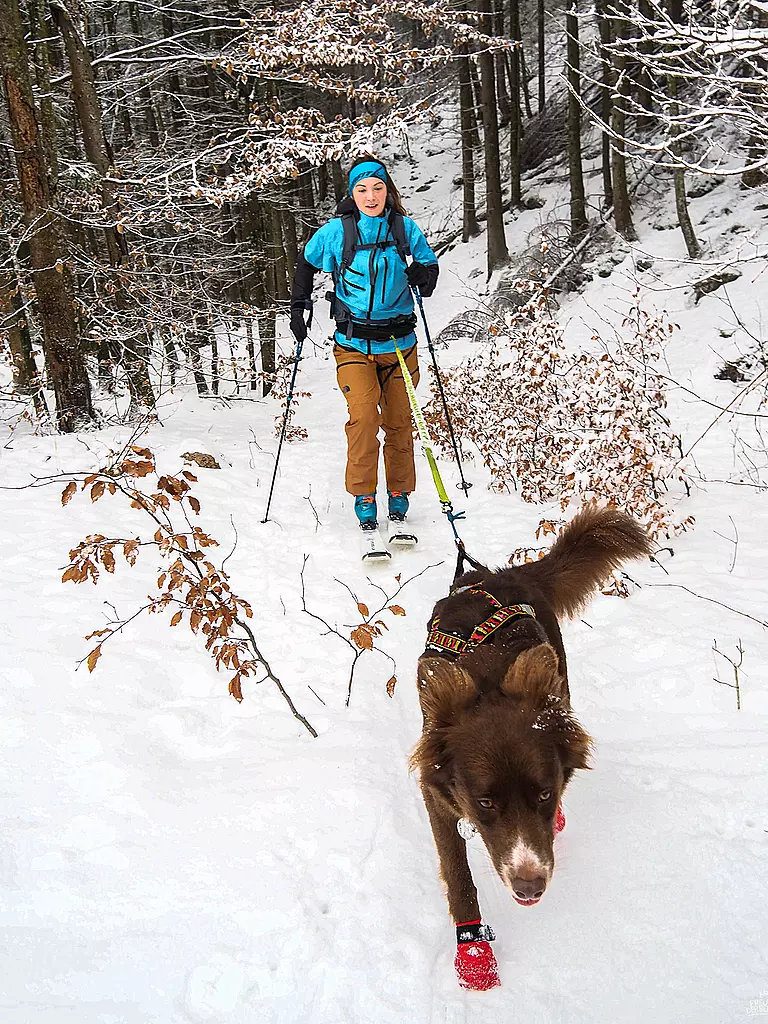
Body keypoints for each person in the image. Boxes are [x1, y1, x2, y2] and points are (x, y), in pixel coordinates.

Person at [289, 155, 439, 530]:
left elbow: (429, 273)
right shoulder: (337, 232)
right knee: (364, 418)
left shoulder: (405, 229)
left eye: (377, 188)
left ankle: (400, 492)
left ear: (387, 192)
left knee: (401, 422)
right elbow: (306, 264)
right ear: (352, 194)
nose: (370, 197)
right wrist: (298, 306)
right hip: (354, 344)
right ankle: (364, 493)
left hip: (400, 344)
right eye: (362, 190)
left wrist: (424, 275)